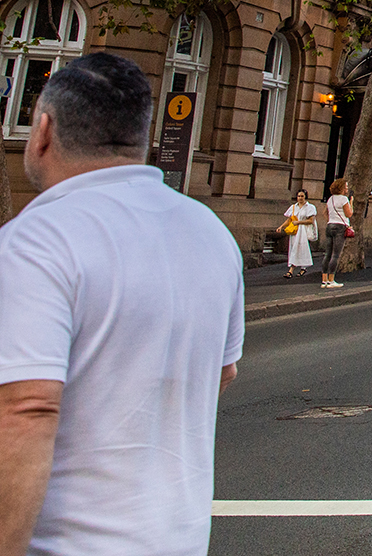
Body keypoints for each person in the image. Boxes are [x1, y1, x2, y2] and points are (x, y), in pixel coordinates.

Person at [0, 52, 246, 556]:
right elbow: (223, 371)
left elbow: (26, 406)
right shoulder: (211, 234)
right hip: (179, 537)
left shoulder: (35, 241)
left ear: (43, 130)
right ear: (141, 136)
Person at [320, 178, 353, 288]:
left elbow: (325, 213)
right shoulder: (344, 199)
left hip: (330, 225)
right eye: (346, 187)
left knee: (327, 254)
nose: (347, 189)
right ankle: (331, 279)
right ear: (342, 188)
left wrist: (330, 220)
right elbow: (348, 214)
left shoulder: (330, 199)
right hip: (340, 227)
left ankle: (324, 279)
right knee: (336, 254)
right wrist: (351, 203)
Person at [284, 188, 318, 277]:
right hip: (295, 231)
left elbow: (311, 221)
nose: (300, 198)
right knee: (294, 248)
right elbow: (289, 219)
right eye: (298, 196)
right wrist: (281, 227)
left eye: (302, 196)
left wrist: (299, 222)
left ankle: (293, 270)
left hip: (304, 231)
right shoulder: (293, 207)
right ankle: (300, 268)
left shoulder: (310, 207)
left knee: (300, 249)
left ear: (305, 197)